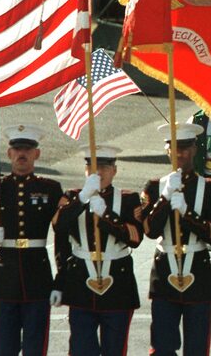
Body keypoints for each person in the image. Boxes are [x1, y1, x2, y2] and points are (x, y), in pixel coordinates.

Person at [0, 125, 63, 356]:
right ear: (8, 154)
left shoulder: (51, 189)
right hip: (3, 281)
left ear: (37, 154)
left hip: (38, 280)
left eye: (27, 149)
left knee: (36, 349)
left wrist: (60, 281)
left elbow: (63, 237)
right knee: (3, 349)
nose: (21, 154)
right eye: (16, 149)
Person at [52, 145, 143, 356]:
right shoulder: (73, 197)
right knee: (81, 349)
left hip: (117, 286)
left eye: (104, 167)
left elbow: (135, 238)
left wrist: (107, 216)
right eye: (92, 168)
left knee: (115, 349)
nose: (98, 173)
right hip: (80, 284)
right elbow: (59, 228)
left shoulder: (128, 199)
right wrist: (83, 198)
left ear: (114, 170)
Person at [142, 123, 211, 356]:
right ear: (167, 150)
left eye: (185, 148)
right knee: (162, 346)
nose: (180, 153)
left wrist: (187, 213)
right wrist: (165, 200)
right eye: (174, 148)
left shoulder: (210, 188)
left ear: (195, 149)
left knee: (197, 348)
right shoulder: (155, 187)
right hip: (164, 271)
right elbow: (148, 230)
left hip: (197, 270)